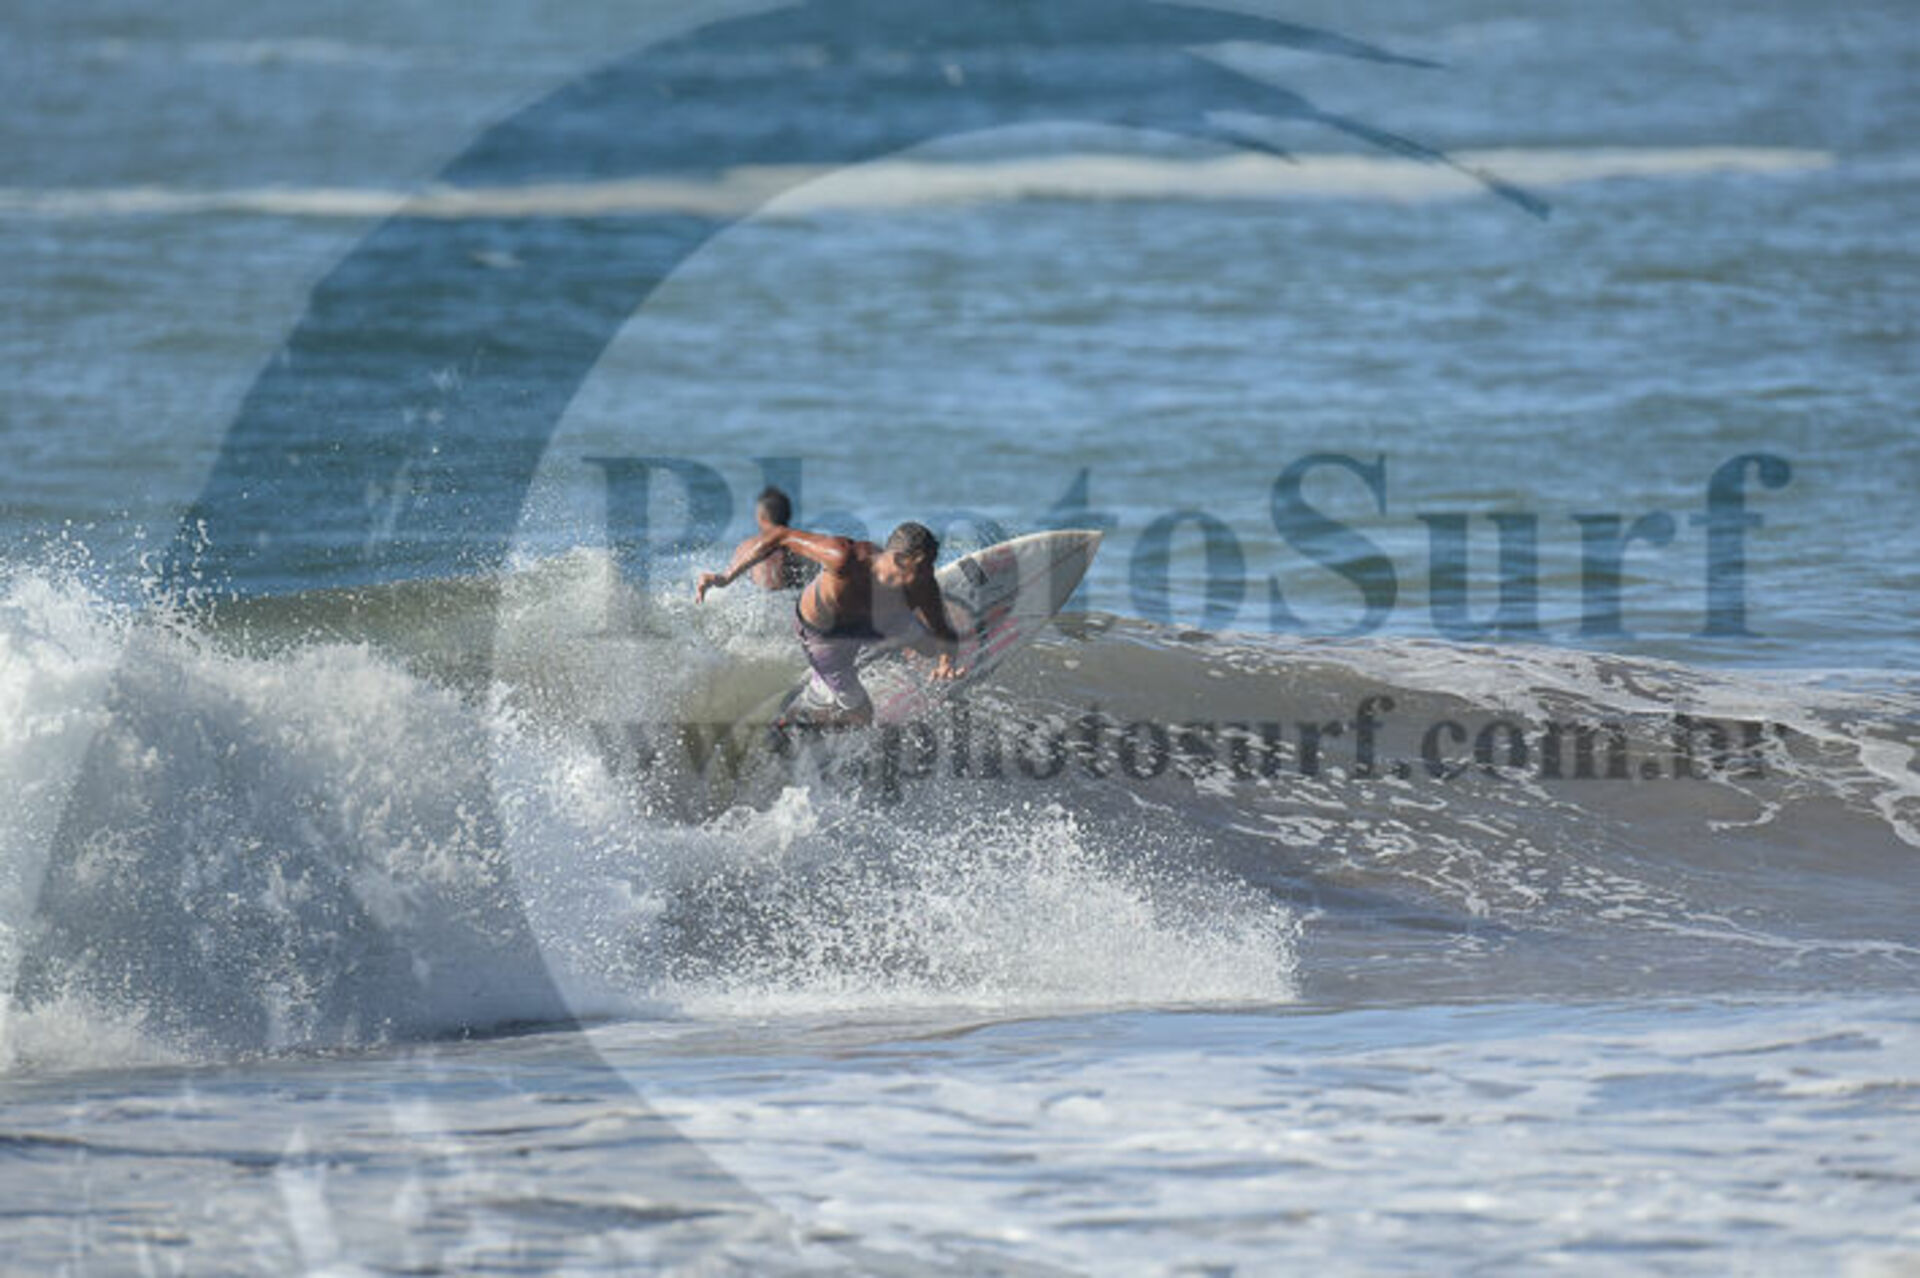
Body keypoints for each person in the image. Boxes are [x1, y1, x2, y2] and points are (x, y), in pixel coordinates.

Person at [696, 519, 964, 727]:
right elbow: (780, 535)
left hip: (874, 622)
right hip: (824, 637)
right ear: (898, 559)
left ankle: (883, 652)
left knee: (931, 646)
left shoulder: (922, 585)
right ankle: (800, 721)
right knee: (863, 716)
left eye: (932, 565)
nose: (930, 572)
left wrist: (946, 662)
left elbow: (944, 631)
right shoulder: (844, 557)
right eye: (924, 566)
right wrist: (726, 577)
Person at [734, 487, 813, 591]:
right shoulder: (803, 545)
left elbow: (735, 586)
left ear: (761, 517)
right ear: (788, 515)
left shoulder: (746, 547)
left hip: (759, 598)